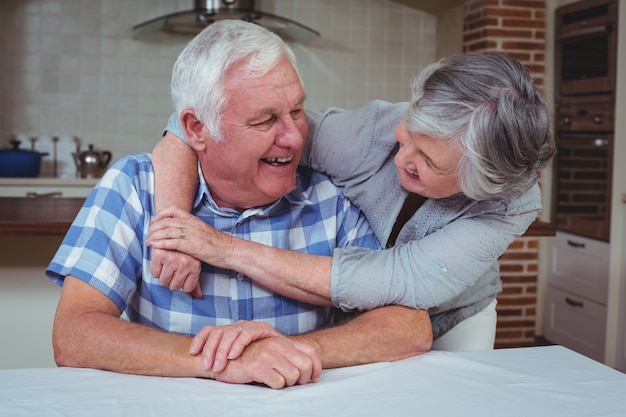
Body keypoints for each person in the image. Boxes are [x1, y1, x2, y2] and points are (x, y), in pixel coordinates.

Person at [45, 20, 432, 390]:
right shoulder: (134, 185)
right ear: (197, 129)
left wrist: (288, 352)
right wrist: (224, 361)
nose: (294, 138)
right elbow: (75, 333)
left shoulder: (331, 196)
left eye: (297, 111)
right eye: (265, 120)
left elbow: (409, 327)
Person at [149, 51, 556, 354]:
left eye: (426, 162)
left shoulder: (508, 204)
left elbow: (398, 281)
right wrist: (174, 230)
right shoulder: (367, 133)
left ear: (477, 185)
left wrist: (224, 249)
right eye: (408, 131)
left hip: (454, 320)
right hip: (355, 321)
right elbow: (187, 128)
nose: (400, 157)